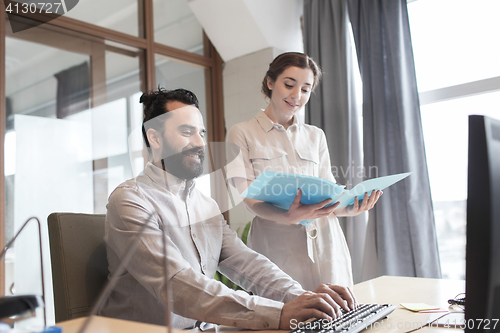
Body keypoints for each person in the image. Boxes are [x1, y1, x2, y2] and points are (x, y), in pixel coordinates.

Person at [98, 87, 358, 330]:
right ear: (154, 137)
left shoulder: (205, 205)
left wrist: (304, 297)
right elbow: (176, 284)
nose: (200, 144)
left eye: (201, 133)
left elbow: (246, 262)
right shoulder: (130, 201)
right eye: (187, 132)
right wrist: (278, 314)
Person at [227, 52, 382, 291]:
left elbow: (329, 193)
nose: (296, 96)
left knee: (337, 319)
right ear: (270, 82)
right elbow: (247, 195)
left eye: (305, 89)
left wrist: (352, 207)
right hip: (276, 246)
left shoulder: (315, 135)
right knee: (286, 319)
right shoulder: (242, 132)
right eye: (289, 85)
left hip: (326, 242)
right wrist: (288, 216)